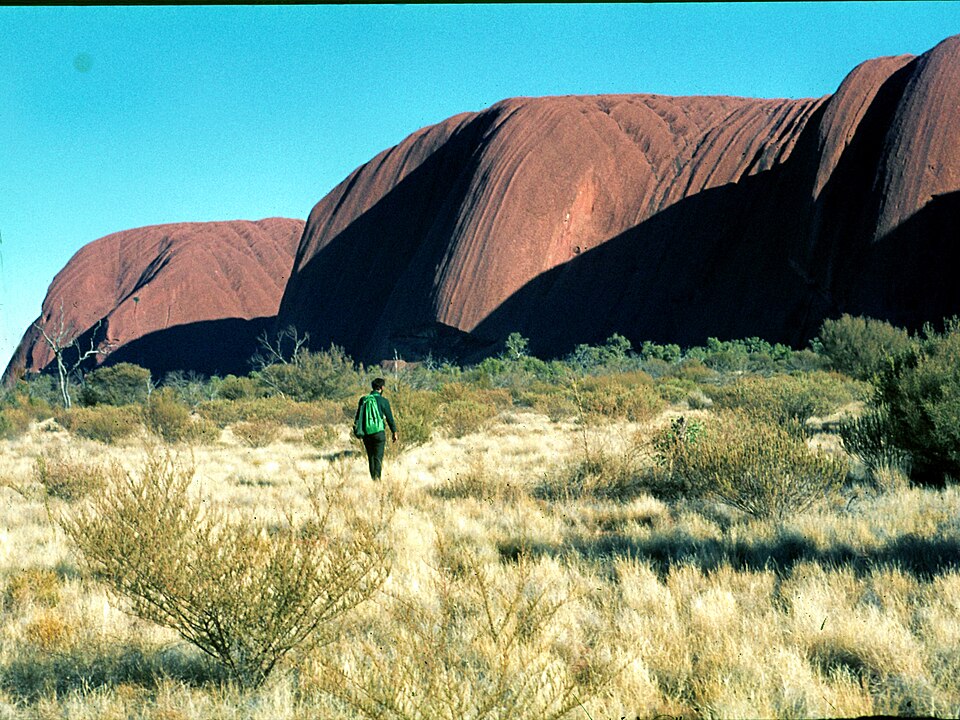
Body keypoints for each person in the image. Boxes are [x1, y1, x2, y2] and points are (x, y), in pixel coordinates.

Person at [354, 377, 398, 480]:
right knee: (378, 458)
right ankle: (377, 481)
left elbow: (358, 417)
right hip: (379, 433)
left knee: (371, 457)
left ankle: (373, 479)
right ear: (382, 388)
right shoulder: (383, 401)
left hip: (367, 433)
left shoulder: (363, 400)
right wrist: (394, 431)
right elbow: (390, 418)